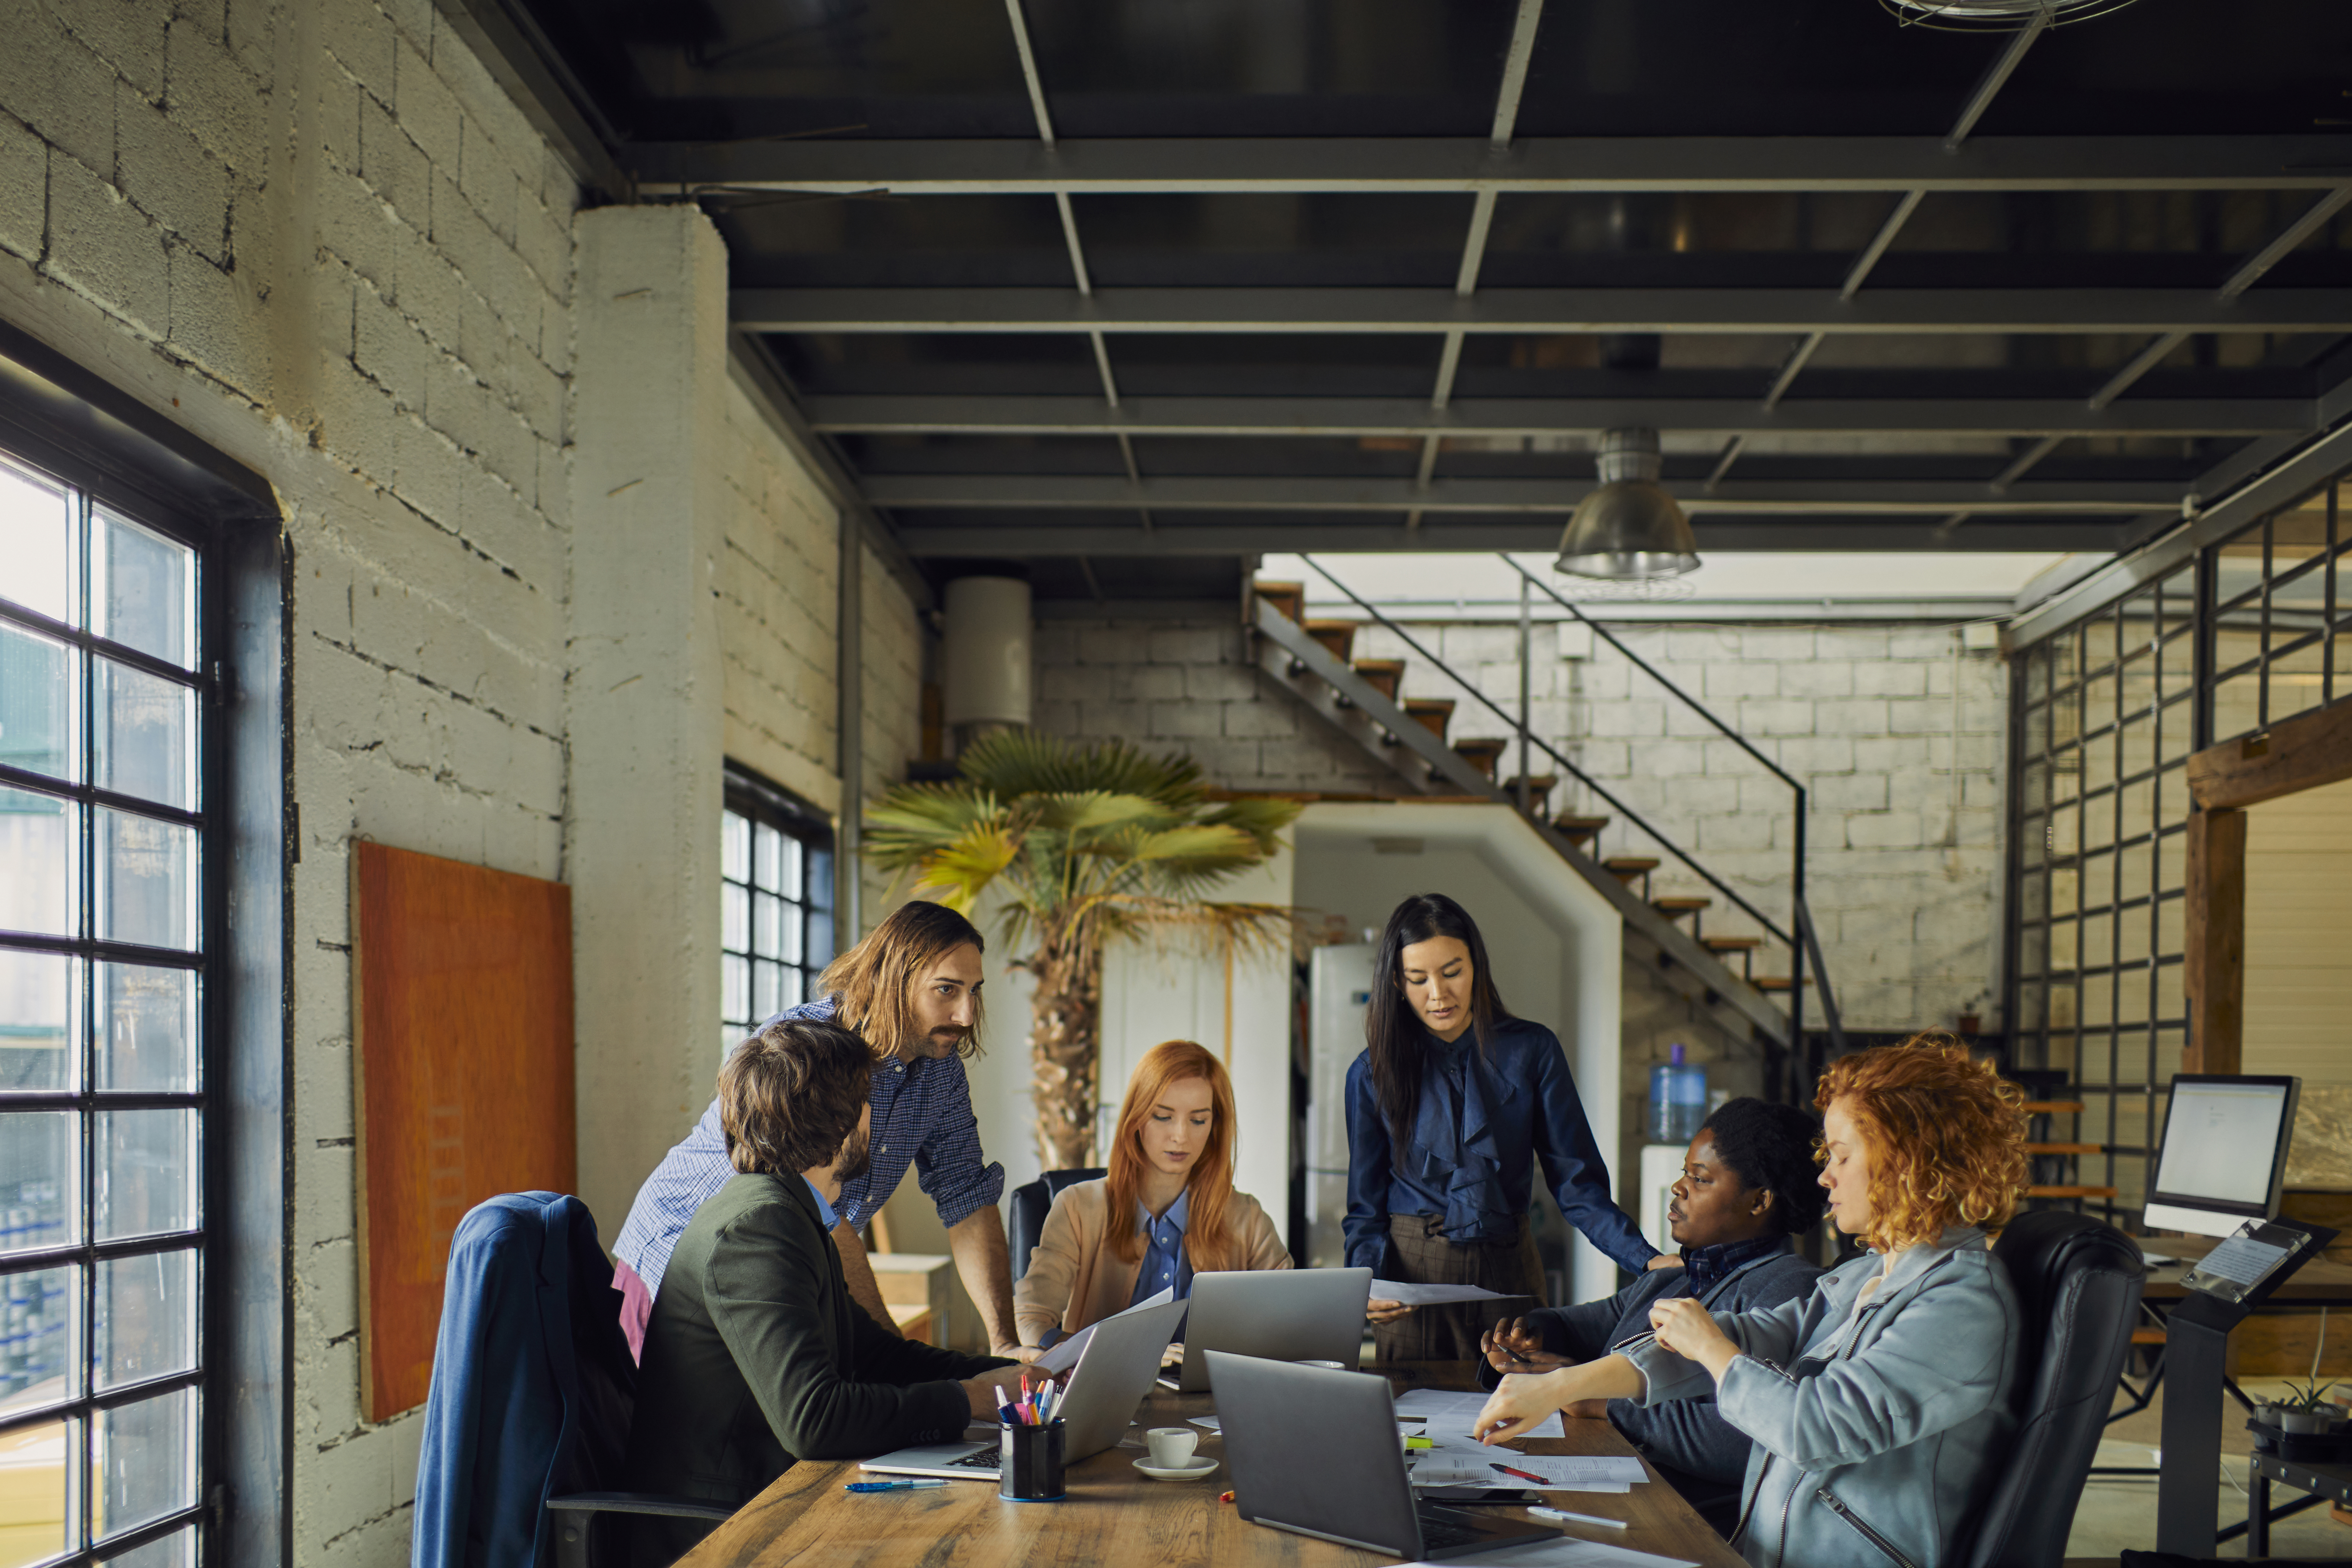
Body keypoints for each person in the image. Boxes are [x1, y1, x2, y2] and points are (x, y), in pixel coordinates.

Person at [1473, 1035, 2029, 1568]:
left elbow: (1818, 1426)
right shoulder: (1869, 1273)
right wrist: (1559, 1387)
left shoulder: (1960, 1304)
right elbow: (1756, 1334)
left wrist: (1711, 1349)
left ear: (1904, 1161)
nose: (1826, 1176)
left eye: (1840, 1156)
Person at [620, 1016, 1016, 1566]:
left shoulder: (789, 1208)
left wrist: (998, 1377)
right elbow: (815, 1419)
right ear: (842, 1122)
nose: (876, 1119)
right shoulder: (756, 1228)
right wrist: (971, 1399)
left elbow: (874, 1353)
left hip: (774, 1502)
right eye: (867, 1101)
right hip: (722, 1532)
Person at [613, 901, 1031, 1361]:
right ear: (893, 980)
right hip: (676, 1255)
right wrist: (898, 1357)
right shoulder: (807, 1047)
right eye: (946, 990)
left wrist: (1005, 1344)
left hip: (780, 1259)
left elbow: (966, 1194)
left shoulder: (940, 1069)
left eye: (974, 990)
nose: (967, 1015)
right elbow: (818, 1210)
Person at [1473, 1098, 1826, 1536]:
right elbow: (1584, 1325)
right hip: (1611, 1485)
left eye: (1699, 1179)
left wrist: (1600, 1401)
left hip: (1681, 1520)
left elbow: (1744, 1438)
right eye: (1684, 1173)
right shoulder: (1676, 1276)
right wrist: (1532, 1337)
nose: (1679, 1188)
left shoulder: (1788, 1288)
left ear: (1759, 1202)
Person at [1345, 892, 1671, 1361]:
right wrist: (1367, 1284)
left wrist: (1646, 1259)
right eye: (1418, 979)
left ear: (1476, 964)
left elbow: (1576, 1183)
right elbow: (1365, 1209)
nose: (1438, 994)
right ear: (1397, 982)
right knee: (1418, 1431)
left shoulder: (1533, 1051)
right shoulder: (1370, 1072)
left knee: (1524, 1421)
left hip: (1509, 1269)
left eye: (1452, 972)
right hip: (1412, 1282)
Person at [1015, 1040, 1291, 1348]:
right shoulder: (1076, 1208)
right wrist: (1091, 1356)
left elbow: (1292, 1316)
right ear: (1136, 1119)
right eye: (1163, 1116)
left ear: (1214, 1127)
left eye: (1198, 1120)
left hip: (1211, 1393)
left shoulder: (1246, 1217)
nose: (1181, 1136)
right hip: (1104, 1390)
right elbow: (1032, 1320)